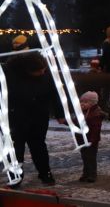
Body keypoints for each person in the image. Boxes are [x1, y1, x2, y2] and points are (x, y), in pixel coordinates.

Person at [6, 52, 65, 189]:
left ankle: (45, 173)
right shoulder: (11, 74)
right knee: (16, 148)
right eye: (39, 71)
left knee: (39, 146)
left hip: (38, 116)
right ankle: (15, 176)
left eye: (44, 69)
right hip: (16, 117)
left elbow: (55, 93)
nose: (43, 72)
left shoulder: (45, 73)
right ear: (28, 70)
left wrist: (60, 113)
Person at [77, 91, 105, 183]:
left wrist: (93, 140)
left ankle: (92, 174)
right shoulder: (82, 112)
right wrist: (66, 121)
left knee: (91, 157)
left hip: (91, 140)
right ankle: (85, 173)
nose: (82, 104)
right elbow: (75, 122)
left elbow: (96, 129)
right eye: (82, 102)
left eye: (85, 102)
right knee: (85, 157)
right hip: (82, 139)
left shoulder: (96, 113)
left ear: (92, 103)